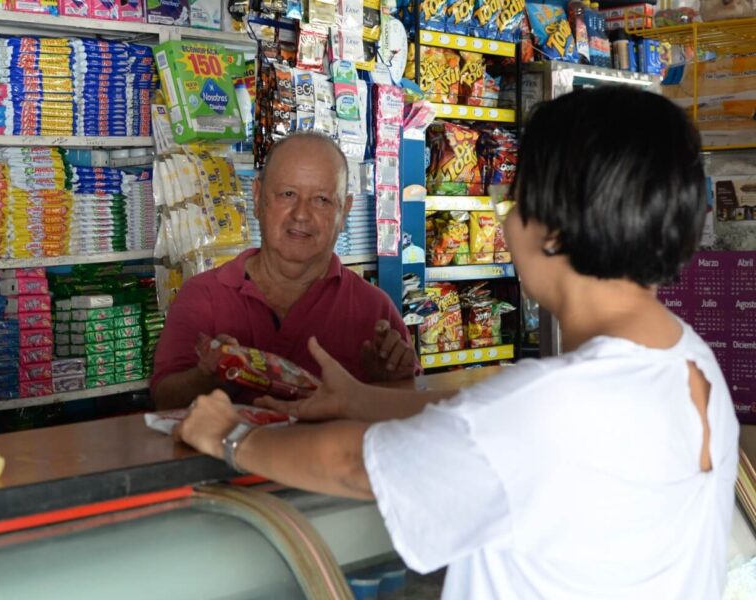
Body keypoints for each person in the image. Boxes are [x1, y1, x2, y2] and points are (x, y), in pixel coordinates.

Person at [175, 87, 740, 598]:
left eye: (511, 203)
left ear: (555, 228)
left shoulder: (548, 406)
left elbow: (352, 465)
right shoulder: (692, 365)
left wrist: (232, 437)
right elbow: (481, 420)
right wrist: (361, 399)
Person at [151, 132, 417, 410]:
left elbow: (410, 419)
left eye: (322, 200)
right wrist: (209, 377)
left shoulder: (374, 310)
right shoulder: (203, 297)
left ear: (344, 212)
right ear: (256, 197)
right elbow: (164, 399)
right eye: (288, 194)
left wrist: (386, 383)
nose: (301, 214)